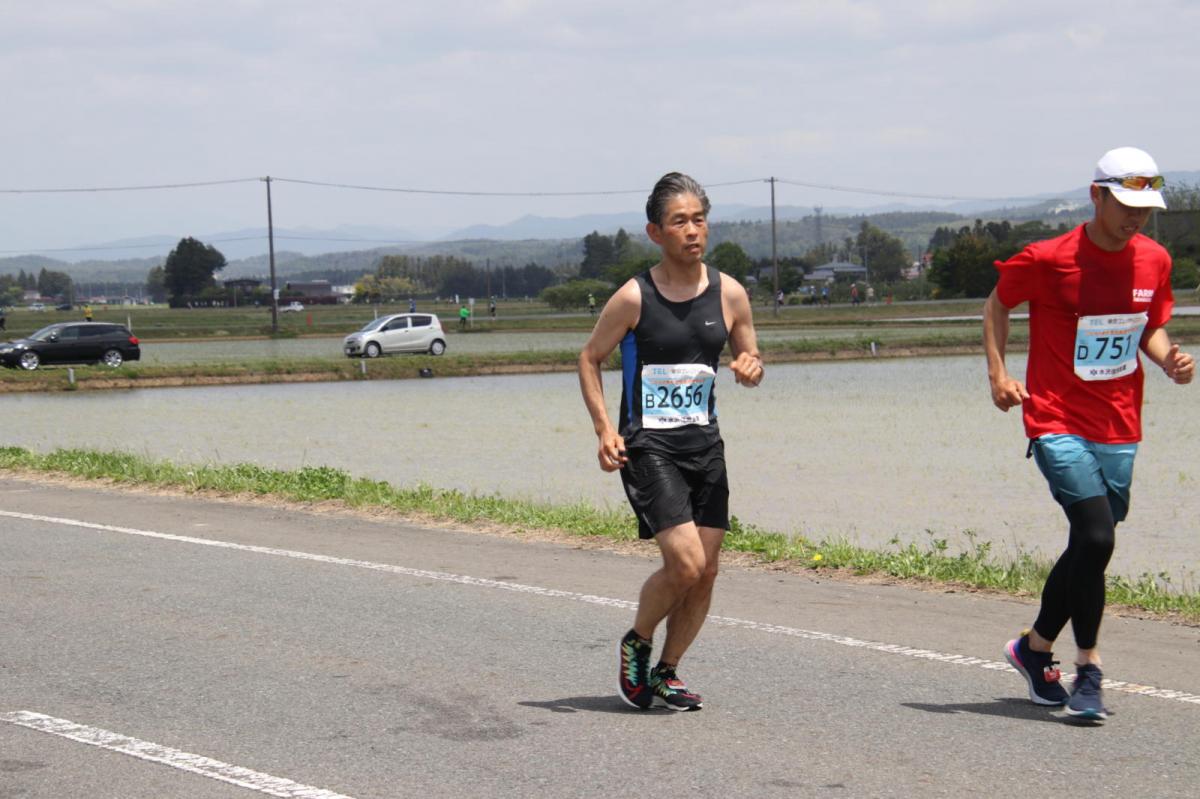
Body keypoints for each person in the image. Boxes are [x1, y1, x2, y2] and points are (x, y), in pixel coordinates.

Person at [984, 146, 1194, 721]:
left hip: (1120, 422)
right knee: (1098, 538)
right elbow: (998, 305)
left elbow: (1148, 326)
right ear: (1096, 195)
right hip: (1055, 417)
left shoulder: (1153, 260)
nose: (1136, 218)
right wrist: (999, 373)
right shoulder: (1050, 258)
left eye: (1145, 208)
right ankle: (1090, 670)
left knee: (1087, 545)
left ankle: (1033, 651)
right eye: (1125, 205)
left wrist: (1167, 357)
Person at [578, 172, 763, 711]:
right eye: (679, 221)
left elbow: (750, 357)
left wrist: (750, 367)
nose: (692, 230)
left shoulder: (729, 292)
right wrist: (604, 430)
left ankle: (667, 671)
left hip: (706, 448)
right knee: (683, 564)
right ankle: (637, 642)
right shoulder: (635, 296)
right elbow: (589, 359)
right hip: (649, 446)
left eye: (699, 219)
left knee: (706, 572)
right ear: (655, 232)